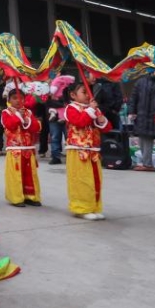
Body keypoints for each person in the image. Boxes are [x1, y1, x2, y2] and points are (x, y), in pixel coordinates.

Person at [63, 81, 111, 220]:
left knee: (95, 180)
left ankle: (93, 207)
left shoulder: (92, 108)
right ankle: (81, 208)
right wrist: (91, 110)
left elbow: (107, 128)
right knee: (81, 180)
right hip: (78, 149)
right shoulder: (70, 108)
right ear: (73, 95)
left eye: (88, 92)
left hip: (93, 150)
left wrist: (101, 119)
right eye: (84, 92)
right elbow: (79, 122)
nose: (87, 95)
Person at [126, 71, 155, 174]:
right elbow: (133, 97)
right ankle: (147, 164)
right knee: (145, 140)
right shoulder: (141, 81)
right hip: (143, 114)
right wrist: (131, 111)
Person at [2, 89, 42, 207]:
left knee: (31, 174)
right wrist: (18, 115)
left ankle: (31, 196)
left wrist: (26, 120)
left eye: (21, 98)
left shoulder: (28, 112)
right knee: (16, 175)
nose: (18, 101)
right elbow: (10, 125)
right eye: (14, 98)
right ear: (9, 100)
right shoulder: (6, 112)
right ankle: (16, 198)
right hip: (15, 150)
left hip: (28, 148)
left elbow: (35, 127)